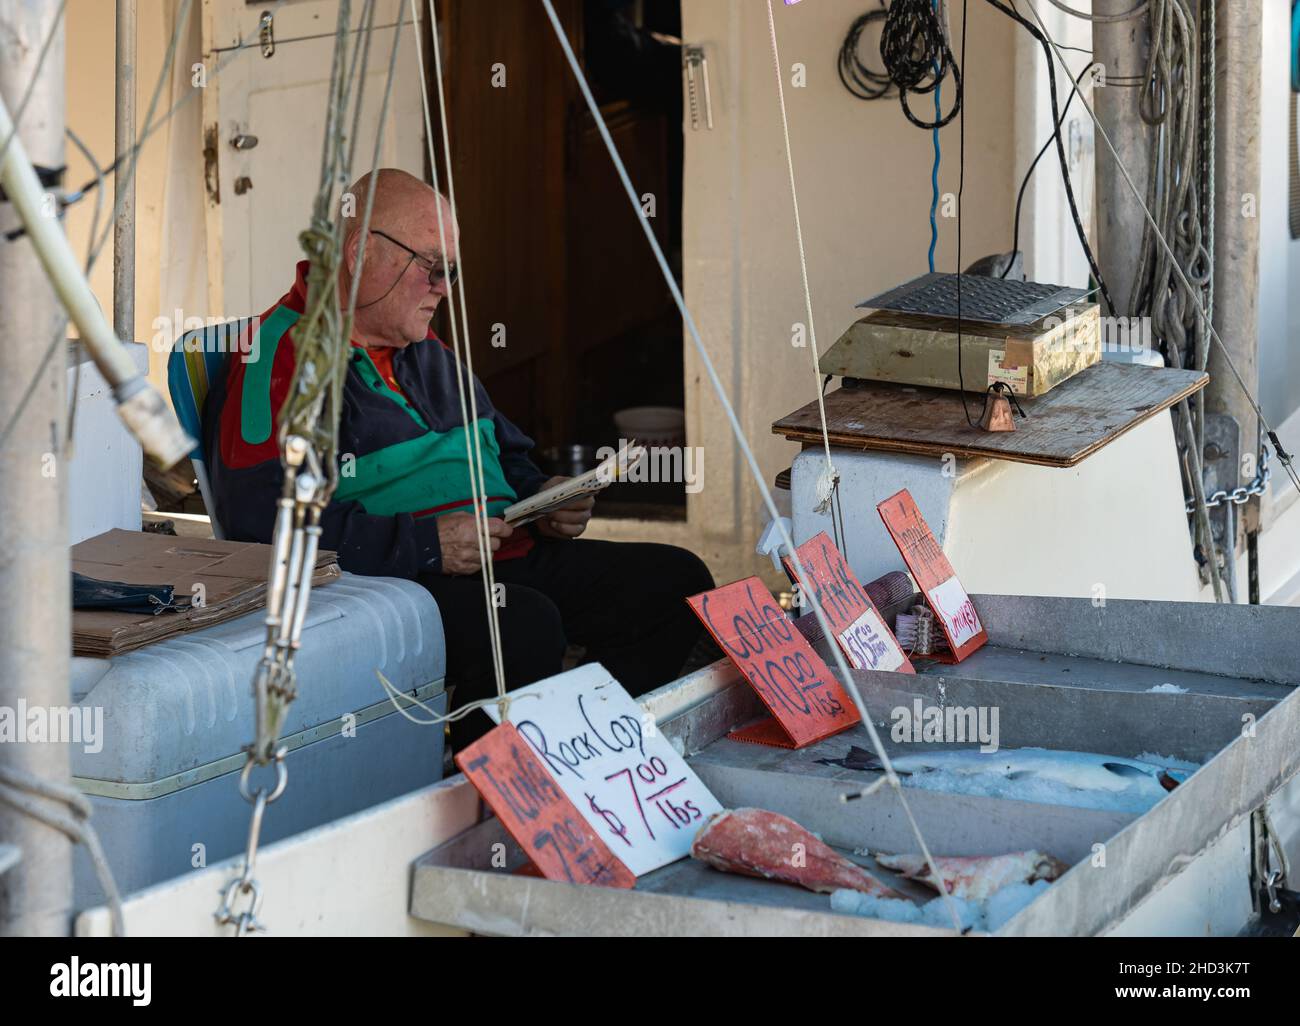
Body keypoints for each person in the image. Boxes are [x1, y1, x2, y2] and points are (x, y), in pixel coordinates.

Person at [205, 169, 714, 752]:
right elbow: (259, 525)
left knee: (678, 584)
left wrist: (544, 499)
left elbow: (505, 450)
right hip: (388, 585)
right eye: (432, 266)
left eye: (453, 269)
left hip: (501, 555)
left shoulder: (427, 349)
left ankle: (588, 750)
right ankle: (492, 798)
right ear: (360, 253)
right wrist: (423, 544)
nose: (444, 287)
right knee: (523, 623)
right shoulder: (279, 359)